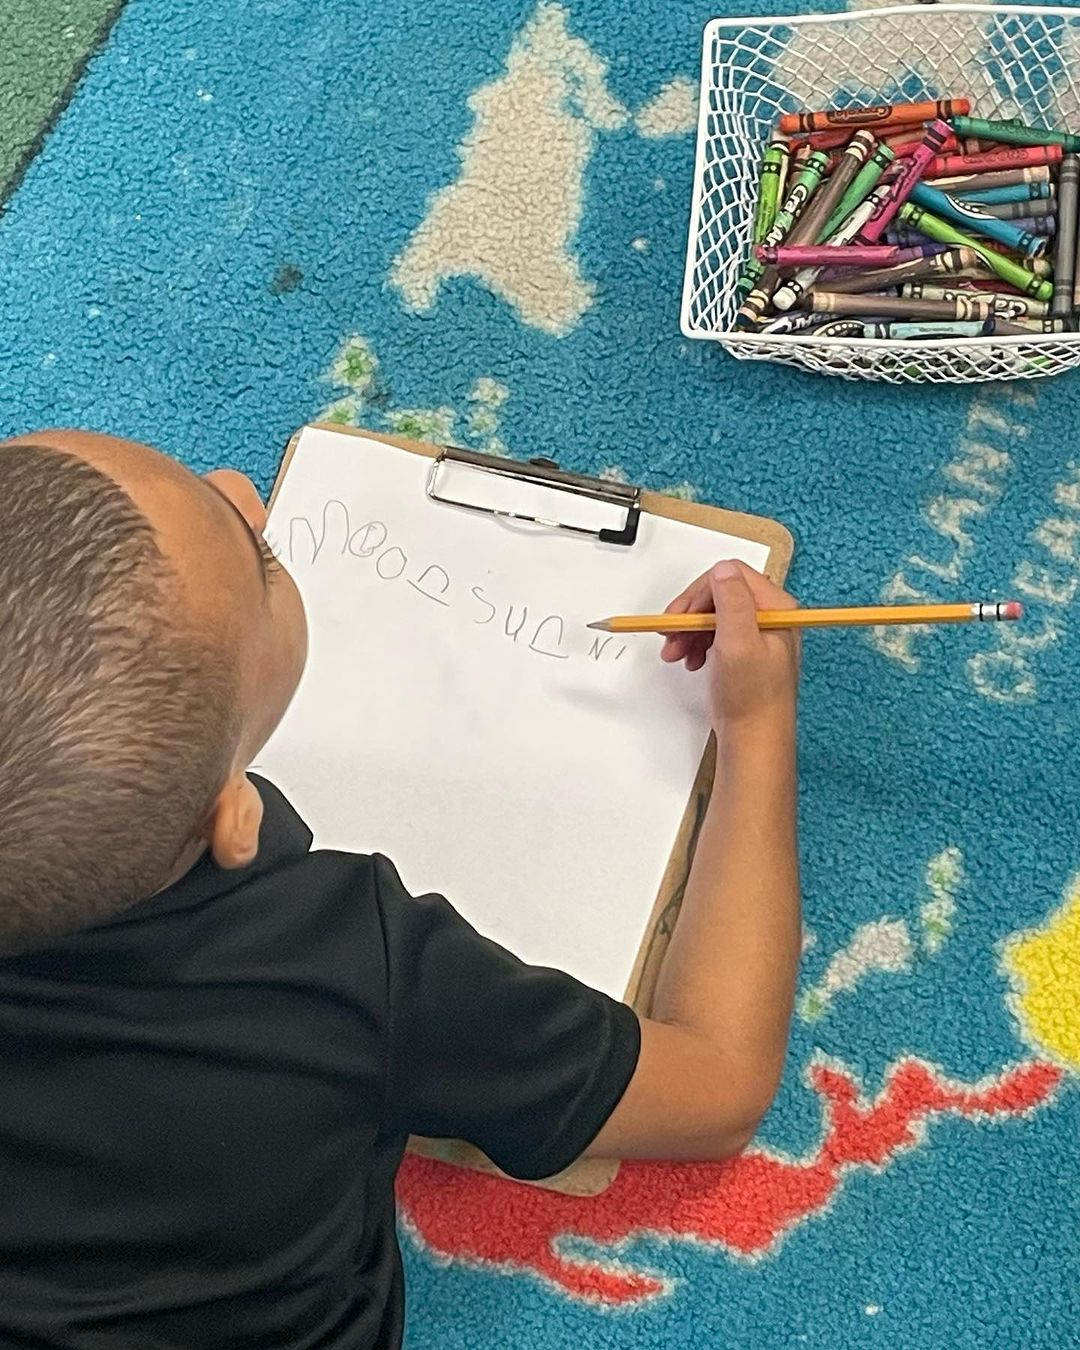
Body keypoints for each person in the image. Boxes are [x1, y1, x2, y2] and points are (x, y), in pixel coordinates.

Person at [0, 429, 801, 1349]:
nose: (238, 485)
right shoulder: (340, 969)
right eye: (258, 557)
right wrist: (758, 726)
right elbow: (720, 1085)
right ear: (235, 819)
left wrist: (227, 567)